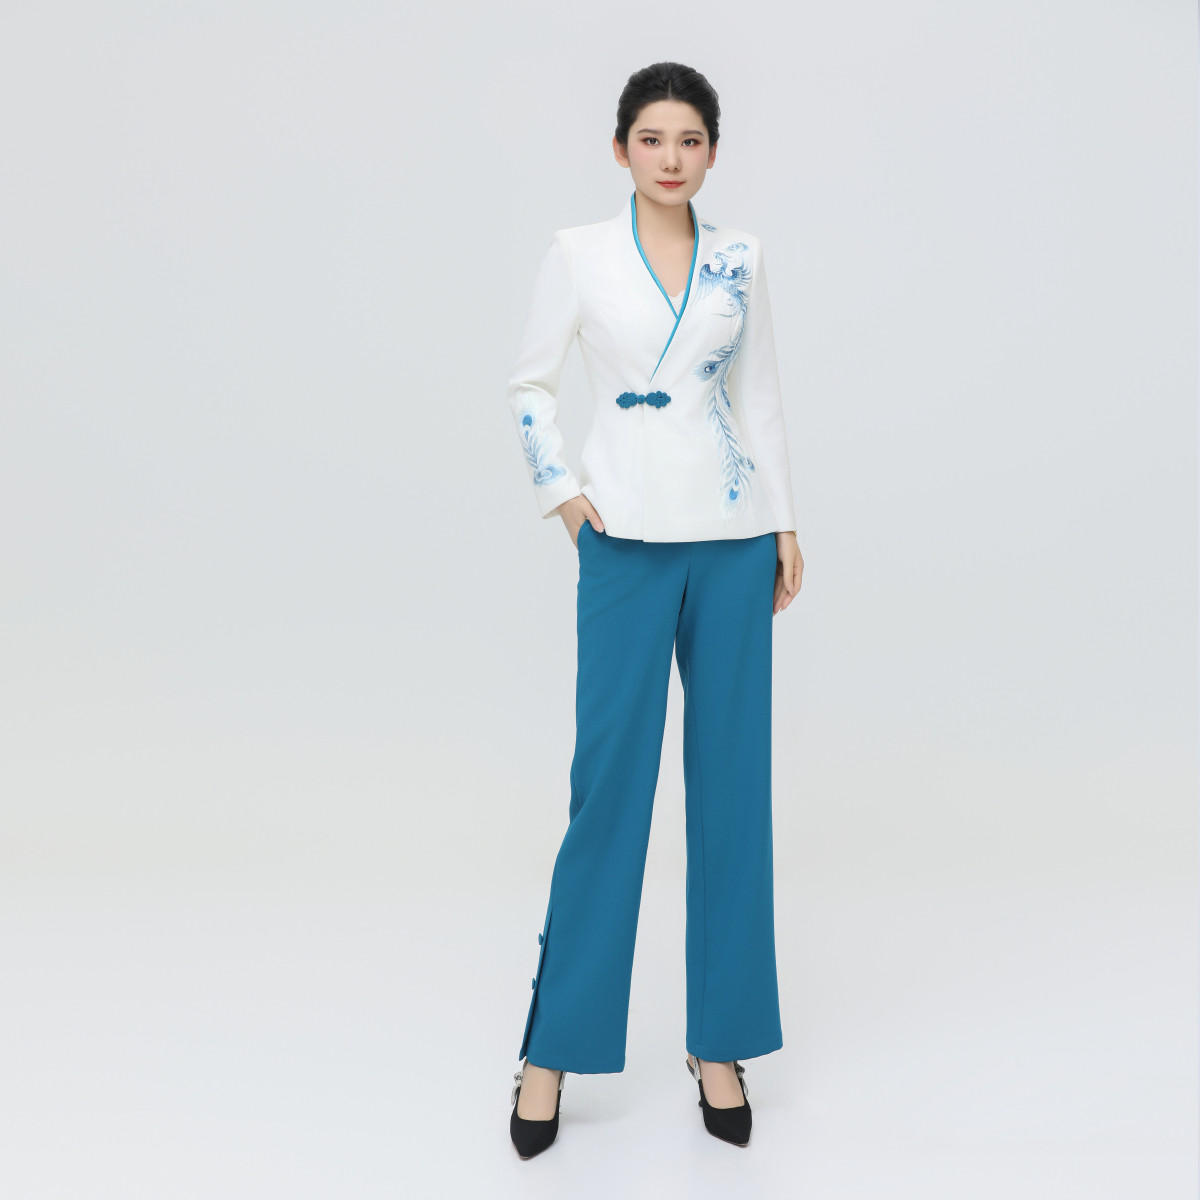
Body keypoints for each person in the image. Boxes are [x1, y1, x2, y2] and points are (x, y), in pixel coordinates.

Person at [504, 60, 805, 1158]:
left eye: (690, 140)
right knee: (610, 792)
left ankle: (718, 1042)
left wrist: (784, 524)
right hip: (624, 540)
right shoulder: (578, 253)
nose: (671, 158)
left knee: (732, 791)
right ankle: (552, 1048)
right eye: (652, 138)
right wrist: (564, 498)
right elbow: (529, 384)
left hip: (732, 541)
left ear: (712, 152)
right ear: (621, 148)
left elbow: (758, 394)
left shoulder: (740, 258)